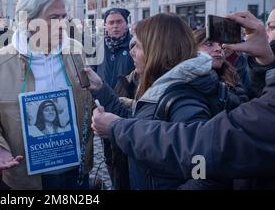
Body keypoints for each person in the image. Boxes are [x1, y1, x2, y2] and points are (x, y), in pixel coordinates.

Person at [92, 11, 275, 189]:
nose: (131, 51)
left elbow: (204, 172)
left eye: (138, 45)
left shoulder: (184, 97)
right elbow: (138, 123)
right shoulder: (163, 85)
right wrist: (101, 89)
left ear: (156, 50)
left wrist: (116, 128)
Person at [0, 0, 94, 190]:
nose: (63, 24)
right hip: (25, 177)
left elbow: (86, 100)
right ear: (29, 22)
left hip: (75, 172)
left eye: (65, 16)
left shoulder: (76, 51)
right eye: (54, 17)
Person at [94, 7, 135, 189]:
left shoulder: (134, 46)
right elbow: (92, 74)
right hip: (103, 106)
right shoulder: (97, 47)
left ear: (126, 24)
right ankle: (115, 181)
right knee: (109, 153)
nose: (115, 26)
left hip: (127, 107)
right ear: (105, 26)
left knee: (127, 152)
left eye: (119, 22)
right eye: (111, 22)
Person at [194, 28, 248, 109]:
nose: (219, 49)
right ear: (193, 49)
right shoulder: (184, 80)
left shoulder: (232, 74)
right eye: (209, 44)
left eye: (220, 45)